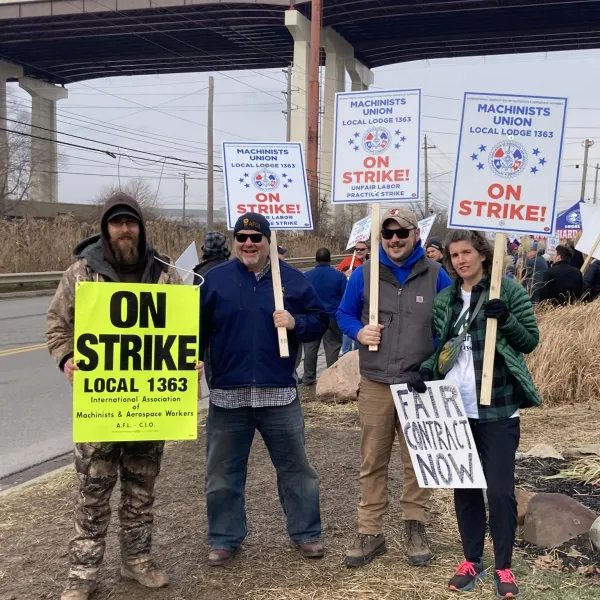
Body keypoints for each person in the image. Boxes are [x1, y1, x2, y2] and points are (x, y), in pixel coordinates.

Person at [46, 192, 199, 600]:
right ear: (105, 228)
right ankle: (82, 574)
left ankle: (137, 560)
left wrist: (190, 362)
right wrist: (66, 360)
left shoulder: (166, 274)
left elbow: (184, 332)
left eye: (130, 222)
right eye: (116, 223)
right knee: (93, 493)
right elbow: (57, 327)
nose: (124, 229)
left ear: (141, 227)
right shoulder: (80, 274)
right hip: (101, 409)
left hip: (150, 408)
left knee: (140, 491)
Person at [200, 212, 329, 566]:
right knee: (222, 474)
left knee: (297, 471)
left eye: (256, 238)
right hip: (229, 396)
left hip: (279, 394)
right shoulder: (215, 281)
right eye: (241, 237)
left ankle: (306, 533)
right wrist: (190, 359)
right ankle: (225, 538)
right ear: (234, 242)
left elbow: (320, 320)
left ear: (268, 241)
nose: (248, 243)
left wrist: (295, 322)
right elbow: (195, 329)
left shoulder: (292, 281)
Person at [420, 230, 540, 599]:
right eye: (454, 255)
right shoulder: (446, 299)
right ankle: (471, 559)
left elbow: (529, 341)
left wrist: (505, 319)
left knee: (500, 491)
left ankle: (503, 566)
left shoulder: (508, 292)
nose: (460, 260)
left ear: (483, 255)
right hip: (456, 409)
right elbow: (440, 348)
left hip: (499, 407)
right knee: (466, 487)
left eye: (467, 252)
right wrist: (426, 371)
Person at [336, 207, 452, 568]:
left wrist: (434, 367)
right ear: (380, 238)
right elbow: (343, 314)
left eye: (401, 233)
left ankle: (414, 525)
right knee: (372, 460)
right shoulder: (365, 274)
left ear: (415, 234)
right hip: (375, 384)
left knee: (418, 459)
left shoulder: (436, 276)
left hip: (420, 385)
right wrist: (358, 331)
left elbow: (451, 329)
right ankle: (370, 531)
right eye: (387, 234)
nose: (395, 240)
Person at [302, 248, 347, 385]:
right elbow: (345, 296)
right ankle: (331, 379)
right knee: (332, 347)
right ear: (330, 259)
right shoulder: (339, 276)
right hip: (332, 316)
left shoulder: (306, 276)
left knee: (310, 348)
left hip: (312, 316)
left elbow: (302, 296)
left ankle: (308, 378)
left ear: (315, 259)